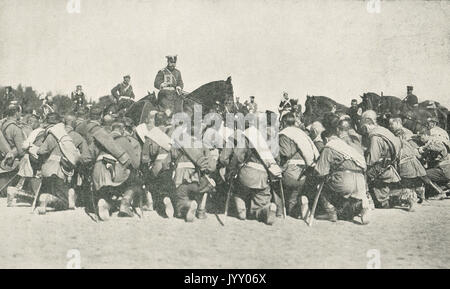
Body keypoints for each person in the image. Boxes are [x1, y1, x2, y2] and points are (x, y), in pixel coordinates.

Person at [313, 115, 370, 224]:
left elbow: (320, 172)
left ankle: (331, 212)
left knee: (321, 184)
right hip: (361, 182)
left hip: (344, 181)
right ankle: (363, 207)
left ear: (326, 138)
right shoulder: (351, 146)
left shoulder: (329, 147)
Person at [227, 123, 281, 225]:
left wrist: (232, 170)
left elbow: (238, 156)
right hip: (264, 177)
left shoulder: (248, 136)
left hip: (247, 174)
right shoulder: (272, 140)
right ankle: (265, 210)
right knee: (261, 201)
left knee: (240, 191)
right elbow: (277, 160)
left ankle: (241, 206)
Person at [361, 110, 414, 209]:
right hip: (389, 165)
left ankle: (401, 195)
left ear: (368, 123)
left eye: (364, 126)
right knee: (382, 190)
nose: (365, 129)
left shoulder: (375, 137)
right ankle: (405, 194)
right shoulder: (383, 130)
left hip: (379, 168)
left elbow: (373, 158)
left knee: (363, 175)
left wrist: (365, 161)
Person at [170, 122, 217, 222]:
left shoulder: (179, 144)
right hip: (196, 180)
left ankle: (188, 204)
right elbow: (212, 167)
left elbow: (170, 159)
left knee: (180, 199)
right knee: (208, 185)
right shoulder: (203, 146)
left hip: (180, 180)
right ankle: (201, 211)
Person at [278, 113, 319, 219]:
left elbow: (285, 154)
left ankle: (277, 210)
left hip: (291, 171)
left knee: (273, 181)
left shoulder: (284, 134)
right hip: (304, 172)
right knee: (294, 196)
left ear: (283, 122)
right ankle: (299, 206)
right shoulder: (302, 133)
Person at [36, 113, 77, 214]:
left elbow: (41, 151)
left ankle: (46, 197)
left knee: (53, 190)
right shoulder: (65, 135)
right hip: (61, 170)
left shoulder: (51, 135)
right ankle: (48, 198)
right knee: (64, 201)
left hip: (48, 168)